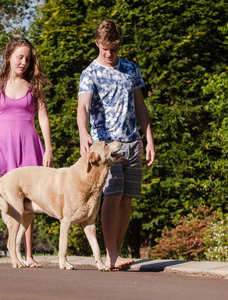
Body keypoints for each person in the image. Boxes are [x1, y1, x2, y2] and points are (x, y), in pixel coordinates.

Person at [77, 20, 155, 270]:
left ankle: (115, 254)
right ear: (97, 44)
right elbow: (83, 107)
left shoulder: (131, 69)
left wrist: (148, 138)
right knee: (112, 194)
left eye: (113, 48)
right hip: (105, 147)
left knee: (127, 199)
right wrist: (82, 132)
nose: (109, 54)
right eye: (104, 49)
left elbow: (140, 106)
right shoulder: (90, 72)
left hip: (132, 142)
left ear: (119, 43)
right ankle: (111, 255)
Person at [0, 38, 53, 267]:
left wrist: (48, 148)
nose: (24, 62)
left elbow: (43, 117)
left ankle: (28, 255)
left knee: (27, 202)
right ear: (9, 57)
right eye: (20, 57)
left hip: (28, 146)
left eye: (28, 58)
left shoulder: (35, 87)